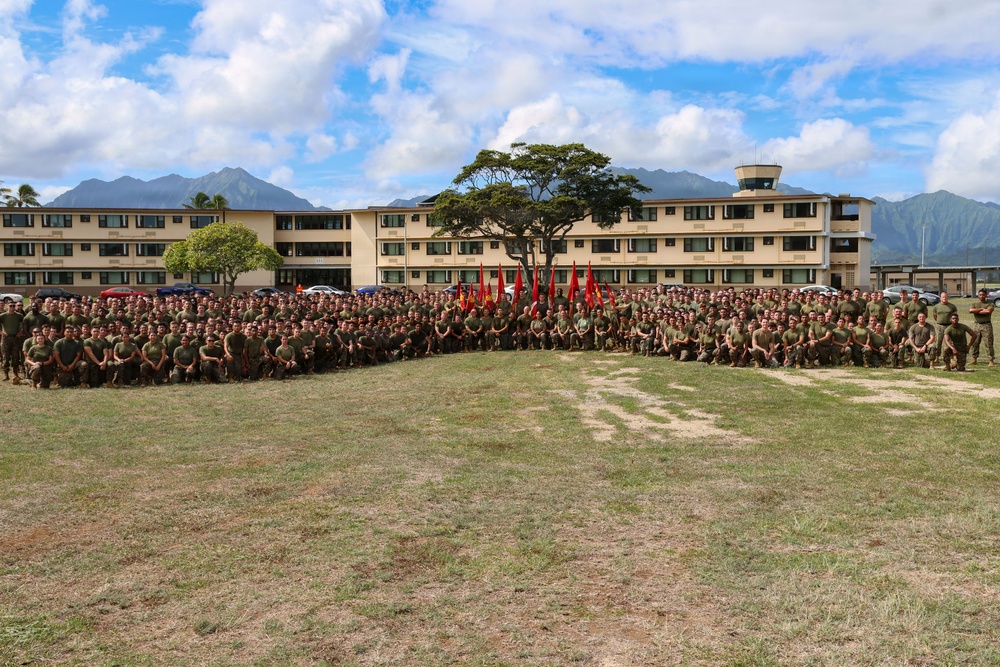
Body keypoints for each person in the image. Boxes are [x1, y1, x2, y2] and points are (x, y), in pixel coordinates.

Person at [968, 288, 995, 367]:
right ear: (978, 295)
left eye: (983, 295)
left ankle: (991, 360)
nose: (982, 296)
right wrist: (981, 309)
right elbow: (970, 311)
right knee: (975, 343)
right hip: (976, 325)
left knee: (988, 343)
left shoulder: (990, 304)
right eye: (980, 295)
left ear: (986, 295)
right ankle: (974, 359)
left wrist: (976, 311)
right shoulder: (975, 304)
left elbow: (988, 311)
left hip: (987, 325)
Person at [930, 291, 957, 367]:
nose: (944, 298)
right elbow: (935, 316)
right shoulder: (936, 306)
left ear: (948, 297)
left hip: (949, 326)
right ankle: (937, 357)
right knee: (938, 342)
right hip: (940, 326)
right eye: (943, 297)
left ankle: (951, 357)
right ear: (940, 298)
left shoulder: (952, 306)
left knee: (950, 342)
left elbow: (955, 315)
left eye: (946, 297)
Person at [1, 300, 25, 383]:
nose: (12, 307)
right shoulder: (3, 315)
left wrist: (20, 332)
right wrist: (1, 332)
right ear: (7, 306)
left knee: (15, 357)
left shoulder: (19, 316)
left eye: (13, 306)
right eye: (10, 306)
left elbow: (23, 325)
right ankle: (6, 374)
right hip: (6, 338)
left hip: (15, 338)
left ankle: (16, 373)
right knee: (6, 357)